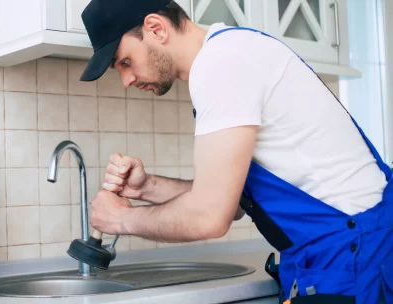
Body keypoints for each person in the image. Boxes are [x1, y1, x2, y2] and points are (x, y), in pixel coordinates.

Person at [78, 0, 393, 303]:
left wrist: (122, 219)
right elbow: (234, 202)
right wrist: (147, 187)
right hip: (347, 251)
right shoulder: (230, 52)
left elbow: (210, 216)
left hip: (357, 256)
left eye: (125, 62)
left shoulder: (220, 65)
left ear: (156, 28)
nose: (126, 80)